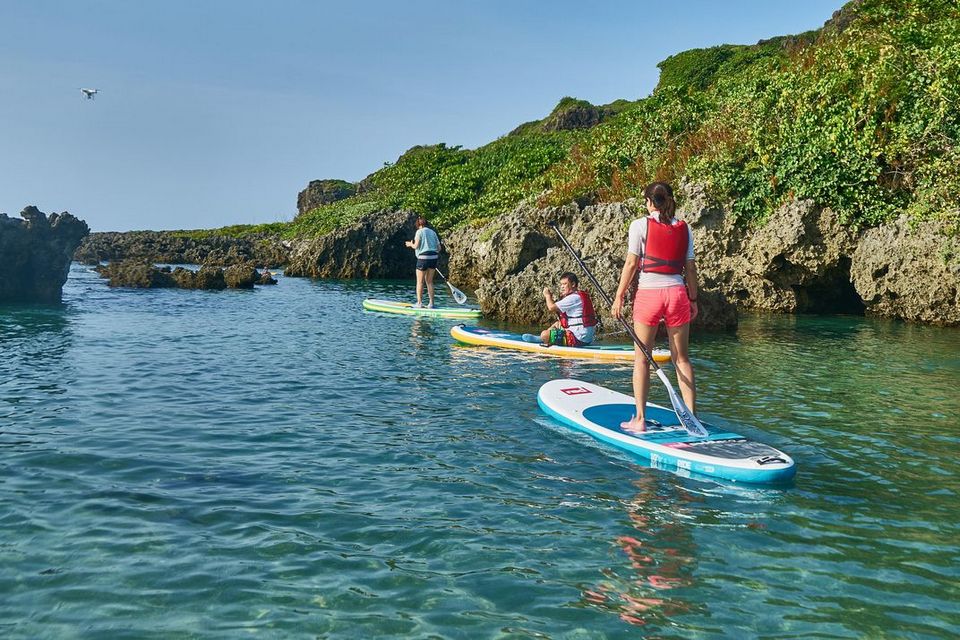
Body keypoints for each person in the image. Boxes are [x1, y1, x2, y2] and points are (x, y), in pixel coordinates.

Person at [611, 182, 698, 433]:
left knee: (642, 359)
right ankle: (692, 417)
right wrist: (693, 299)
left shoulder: (639, 225)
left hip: (649, 295)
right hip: (677, 295)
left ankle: (639, 419)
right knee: (681, 358)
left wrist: (619, 296)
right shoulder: (684, 228)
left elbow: (631, 264)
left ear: (650, 202)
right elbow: (690, 268)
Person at [522, 272, 598, 346]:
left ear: (573, 284)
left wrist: (547, 295)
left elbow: (551, 307)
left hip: (578, 338)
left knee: (545, 334)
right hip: (585, 337)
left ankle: (544, 337)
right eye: (561, 284)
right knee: (557, 324)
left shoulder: (573, 298)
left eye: (565, 284)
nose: (562, 287)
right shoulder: (578, 295)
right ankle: (542, 338)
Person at [404, 216, 441, 308]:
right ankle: (431, 304)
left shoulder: (419, 232)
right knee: (429, 282)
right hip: (433, 258)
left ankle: (419, 303)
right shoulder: (433, 232)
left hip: (423, 258)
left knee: (420, 282)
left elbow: (416, 246)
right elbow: (439, 248)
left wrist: (410, 244)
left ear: (418, 224)